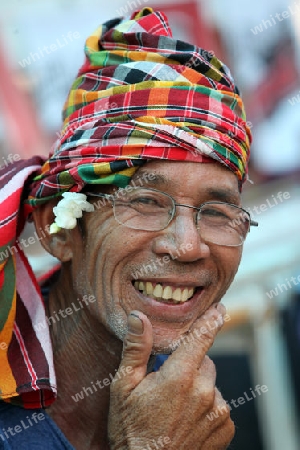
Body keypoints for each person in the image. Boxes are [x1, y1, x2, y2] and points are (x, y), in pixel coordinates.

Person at [0, 6, 255, 449]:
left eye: (217, 212)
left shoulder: (206, 403)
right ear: (59, 229)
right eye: (145, 202)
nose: (189, 246)